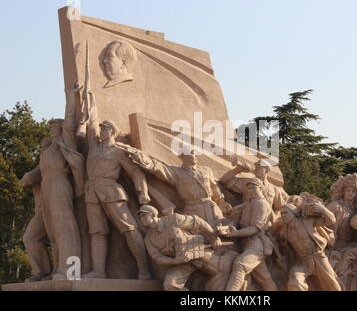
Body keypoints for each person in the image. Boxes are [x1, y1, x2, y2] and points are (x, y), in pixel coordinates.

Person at [82, 89, 151, 280]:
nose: (101, 131)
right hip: (92, 193)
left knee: (129, 229)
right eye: (101, 128)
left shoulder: (119, 151)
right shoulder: (94, 148)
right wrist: (89, 100)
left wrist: (142, 192)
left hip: (112, 192)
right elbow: (91, 124)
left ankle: (144, 269)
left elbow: (136, 172)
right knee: (97, 233)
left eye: (105, 129)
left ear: (112, 131)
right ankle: (99, 272)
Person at [20, 84, 84, 281]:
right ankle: (44, 272)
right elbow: (40, 171)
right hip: (46, 187)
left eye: (54, 125)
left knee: (64, 228)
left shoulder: (65, 142)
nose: (51, 128)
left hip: (60, 185)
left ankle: (71, 271)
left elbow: (70, 121)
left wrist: (72, 98)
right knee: (35, 236)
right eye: (50, 126)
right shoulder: (47, 148)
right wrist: (29, 177)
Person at [138, 205, 237, 291]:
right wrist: (176, 261)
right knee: (170, 285)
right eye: (140, 217)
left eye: (144, 215)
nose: (141, 218)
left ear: (153, 215)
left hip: (198, 253)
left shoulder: (174, 219)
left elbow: (197, 221)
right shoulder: (148, 239)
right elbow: (158, 258)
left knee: (223, 270)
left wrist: (214, 237)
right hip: (181, 262)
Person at [129, 149, 231, 227]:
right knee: (198, 235)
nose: (196, 156)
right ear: (184, 157)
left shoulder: (206, 170)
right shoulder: (177, 173)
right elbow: (160, 169)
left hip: (211, 207)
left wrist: (221, 201)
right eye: (192, 154)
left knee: (221, 232)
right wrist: (144, 160)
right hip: (193, 209)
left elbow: (214, 186)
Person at [220, 179, 277, 291]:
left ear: (260, 188)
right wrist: (230, 227)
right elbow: (239, 221)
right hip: (245, 243)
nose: (250, 190)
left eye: (254, 188)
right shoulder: (249, 204)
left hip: (256, 243)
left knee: (240, 265)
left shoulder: (262, 204)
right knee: (265, 278)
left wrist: (232, 234)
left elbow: (254, 229)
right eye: (249, 188)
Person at [274, 198, 341, 291]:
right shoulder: (284, 232)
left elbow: (331, 220)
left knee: (332, 283)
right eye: (282, 214)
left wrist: (323, 209)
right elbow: (280, 246)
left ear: (293, 212)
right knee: (295, 282)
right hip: (302, 261)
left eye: (286, 213)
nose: (283, 215)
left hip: (318, 257)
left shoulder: (307, 221)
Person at [220, 159, 288, 217]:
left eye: (260, 167)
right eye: (256, 167)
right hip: (247, 217)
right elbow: (224, 181)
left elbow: (282, 207)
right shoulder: (248, 183)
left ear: (267, 170)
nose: (256, 169)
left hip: (264, 222)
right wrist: (238, 169)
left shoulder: (274, 189)